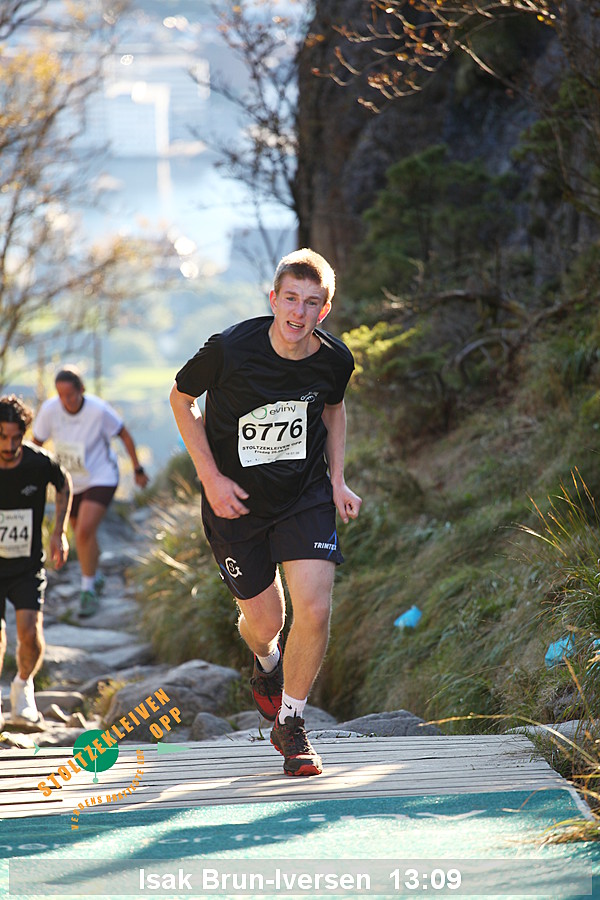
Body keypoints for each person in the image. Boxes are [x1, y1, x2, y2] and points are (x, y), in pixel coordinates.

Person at [170, 248, 362, 777]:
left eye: (312, 302)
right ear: (273, 299)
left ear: (325, 309)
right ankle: (267, 661)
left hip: (304, 495)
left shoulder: (334, 359)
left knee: (315, 609)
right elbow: (181, 399)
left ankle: (291, 724)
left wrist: (338, 480)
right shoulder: (230, 349)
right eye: (291, 299)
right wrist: (211, 478)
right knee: (266, 622)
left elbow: (333, 407)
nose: (299, 312)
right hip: (235, 503)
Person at [33, 366, 149, 618]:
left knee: (84, 530)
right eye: (61, 395)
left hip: (101, 476)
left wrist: (137, 469)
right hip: (69, 481)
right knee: (82, 533)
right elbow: (36, 443)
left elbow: (124, 435)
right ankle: (94, 577)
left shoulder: (98, 410)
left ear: (81, 390)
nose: (66, 400)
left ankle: (87, 591)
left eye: (70, 395)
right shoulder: (50, 410)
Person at [0, 395, 72, 729]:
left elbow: (64, 484)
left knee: (30, 634)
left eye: (16, 437)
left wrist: (59, 532)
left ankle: (22, 689)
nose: (9, 445)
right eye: (2, 437)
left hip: (26, 565)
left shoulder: (39, 463)